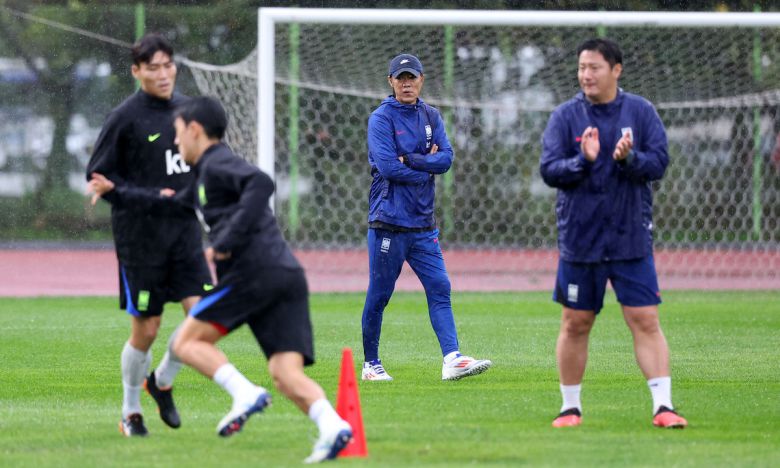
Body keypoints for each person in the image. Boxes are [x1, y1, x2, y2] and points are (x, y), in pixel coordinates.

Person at [93, 96, 352, 462]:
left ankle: (244, 393)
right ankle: (333, 425)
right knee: (284, 372)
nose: (176, 142)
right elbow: (171, 202)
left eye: (178, 134)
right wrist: (116, 191)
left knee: (185, 342)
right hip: (286, 276)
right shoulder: (203, 177)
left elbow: (261, 183)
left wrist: (225, 241)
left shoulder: (217, 165)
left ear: (195, 130)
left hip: (253, 275)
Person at [539, 38, 688, 429]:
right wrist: (582, 161)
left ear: (616, 69)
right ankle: (570, 408)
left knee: (644, 318)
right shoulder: (565, 116)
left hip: (629, 237)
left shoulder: (640, 112)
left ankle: (663, 406)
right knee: (575, 321)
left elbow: (658, 164)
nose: (586, 75)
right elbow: (549, 170)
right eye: (581, 67)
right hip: (581, 239)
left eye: (594, 67)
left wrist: (628, 158)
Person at [85, 33, 212, 437]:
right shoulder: (124, 118)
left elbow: (203, 166)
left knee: (205, 315)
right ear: (136, 71)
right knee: (148, 329)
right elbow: (100, 178)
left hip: (184, 232)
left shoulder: (191, 111)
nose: (162, 74)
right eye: (152, 67)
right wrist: (148, 195)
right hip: (140, 239)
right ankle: (130, 410)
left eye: (167, 65)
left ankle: (161, 379)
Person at [361, 53, 492, 382]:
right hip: (389, 221)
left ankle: (452, 358)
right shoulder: (381, 118)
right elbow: (389, 167)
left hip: (422, 224)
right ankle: (371, 365)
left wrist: (412, 160)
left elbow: (446, 159)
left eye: (412, 77)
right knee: (380, 294)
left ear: (422, 80)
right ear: (390, 82)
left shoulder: (432, 116)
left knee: (440, 287)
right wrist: (424, 165)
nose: (407, 83)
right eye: (400, 77)